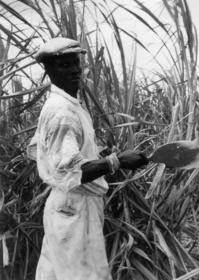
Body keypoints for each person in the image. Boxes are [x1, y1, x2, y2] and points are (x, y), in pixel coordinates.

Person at [27, 37, 148, 280]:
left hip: (66, 207)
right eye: (64, 65)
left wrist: (98, 155)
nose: (74, 70)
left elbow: (51, 153)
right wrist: (117, 160)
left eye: (76, 63)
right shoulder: (63, 113)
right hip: (75, 207)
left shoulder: (66, 104)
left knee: (54, 274)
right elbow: (71, 172)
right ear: (49, 70)